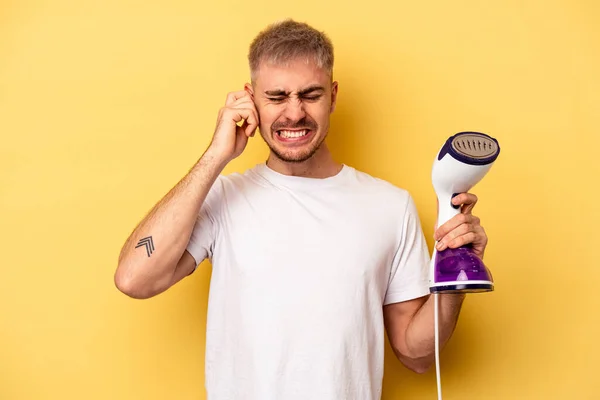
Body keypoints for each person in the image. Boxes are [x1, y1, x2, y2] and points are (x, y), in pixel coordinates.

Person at [114, 19, 489, 400]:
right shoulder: (223, 198)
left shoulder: (390, 205)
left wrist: (454, 275)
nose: (294, 114)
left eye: (310, 95)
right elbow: (134, 279)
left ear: (333, 95)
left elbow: (416, 354)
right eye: (276, 97)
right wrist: (216, 155)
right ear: (250, 98)